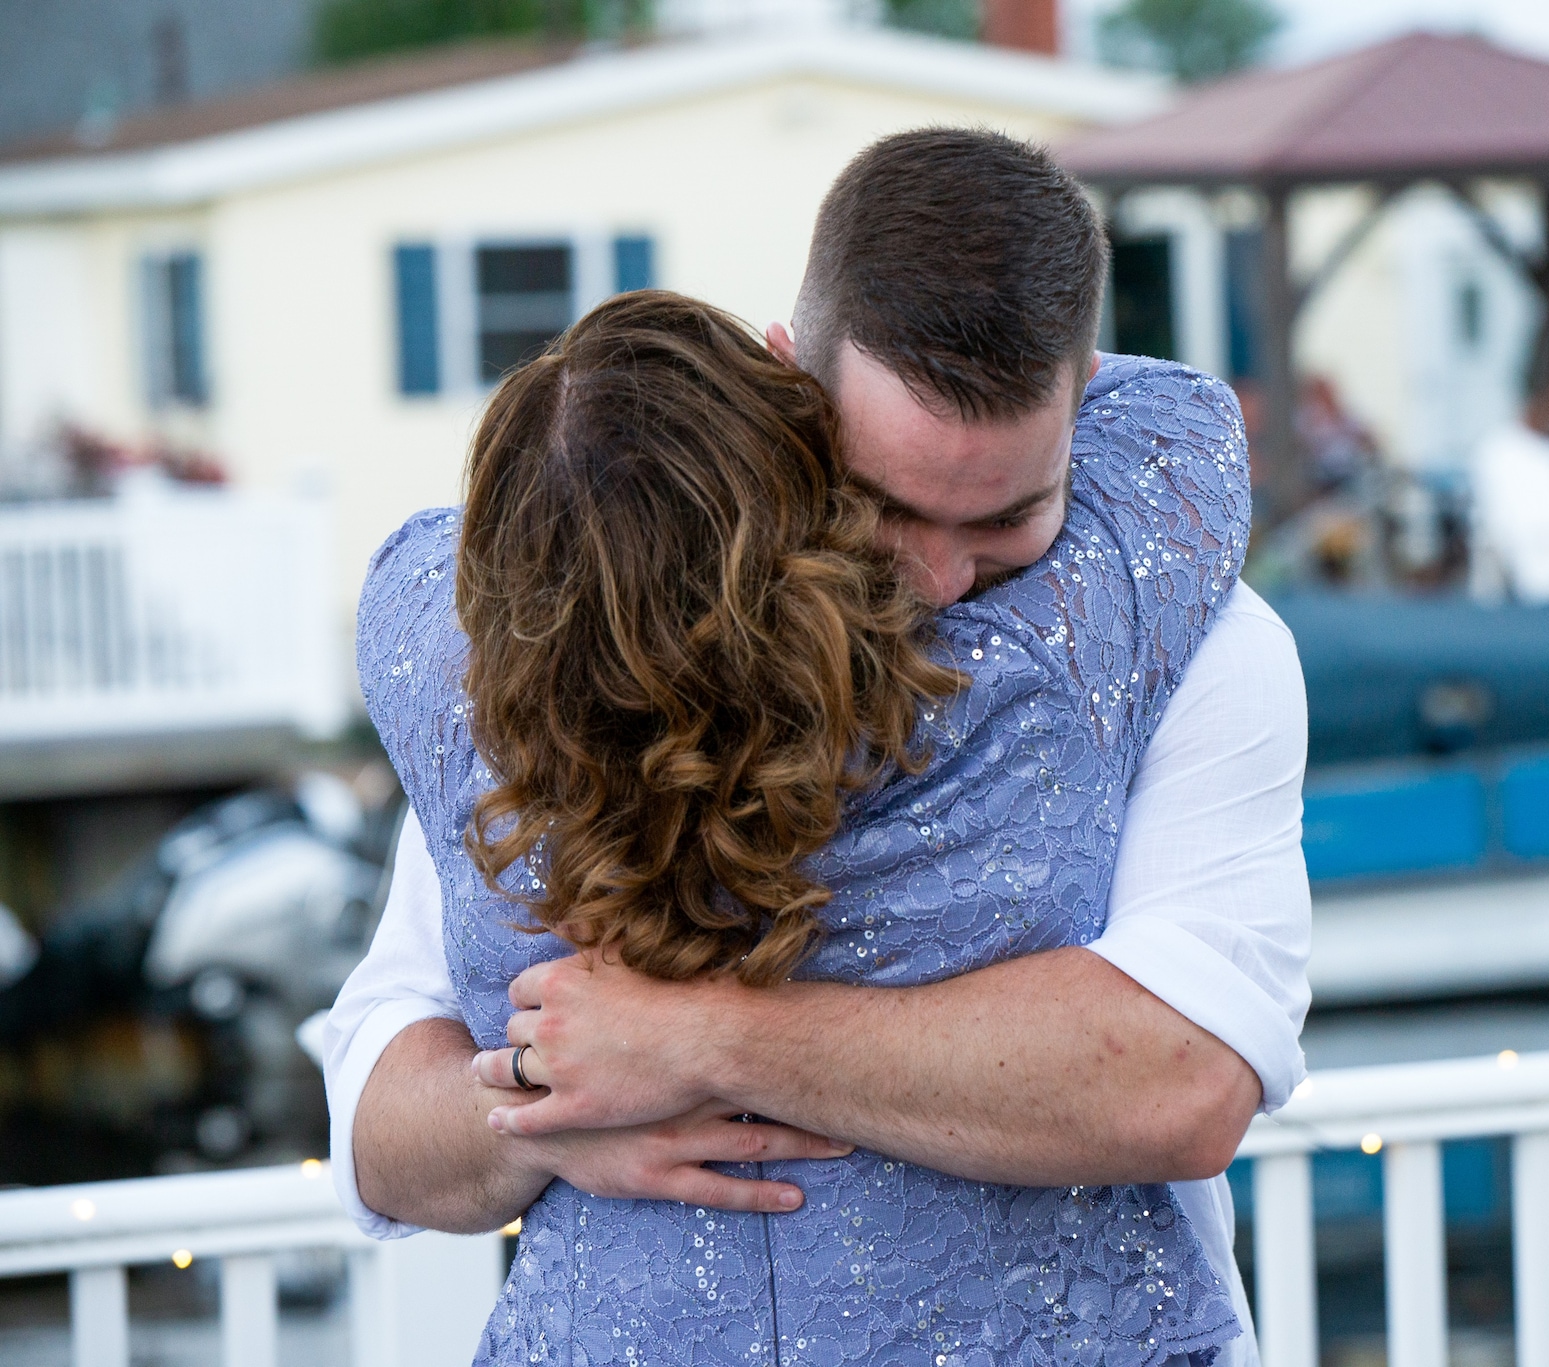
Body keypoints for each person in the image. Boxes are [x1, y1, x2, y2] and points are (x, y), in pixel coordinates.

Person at [329, 130, 1311, 1364]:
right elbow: (378, 1107)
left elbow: (1181, 1076)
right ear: (789, 383)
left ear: (1086, 393)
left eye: (1010, 514)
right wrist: (548, 1119)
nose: (940, 577)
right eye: (887, 504)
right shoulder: (591, 649)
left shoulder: (1200, 643)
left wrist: (700, 1040)